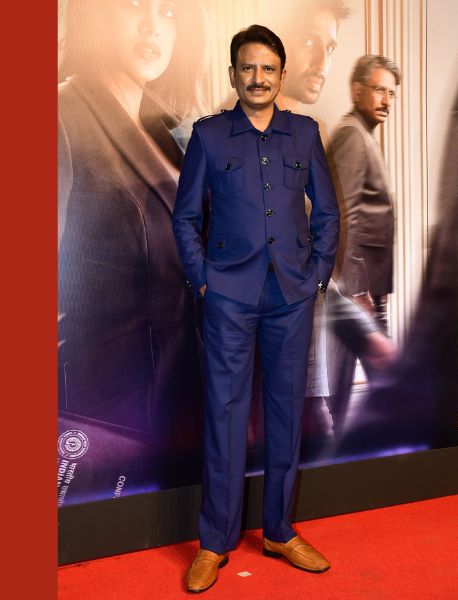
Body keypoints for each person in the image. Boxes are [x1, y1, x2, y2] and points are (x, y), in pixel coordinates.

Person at [172, 25, 340, 593]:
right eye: (248, 67)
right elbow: (185, 217)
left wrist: (317, 274)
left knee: (287, 414)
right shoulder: (209, 136)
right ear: (233, 75)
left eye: (268, 68)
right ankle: (214, 543)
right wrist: (204, 281)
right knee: (224, 416)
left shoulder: (304, 133)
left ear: (281, 75)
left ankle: (279, 531)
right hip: (228, 297)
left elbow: (327, 214)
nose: (258, 78)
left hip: (290, 296)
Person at [57, 0, 208, 448]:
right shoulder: (61, 116)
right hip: (110, 431)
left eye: (169, 11)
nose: (153, 26)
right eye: (135, 4)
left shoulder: (169, 132)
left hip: (185, 414)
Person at [325, 54, 400, 431]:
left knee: (359, 385)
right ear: (357, 90)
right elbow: (343, 214)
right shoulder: (352, 135)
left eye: (391, 93)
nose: (386, 100)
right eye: (379, 90)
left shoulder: (363, 134)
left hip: (365, 290)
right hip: (357, 291)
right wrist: (354, 293)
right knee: (357, 386)